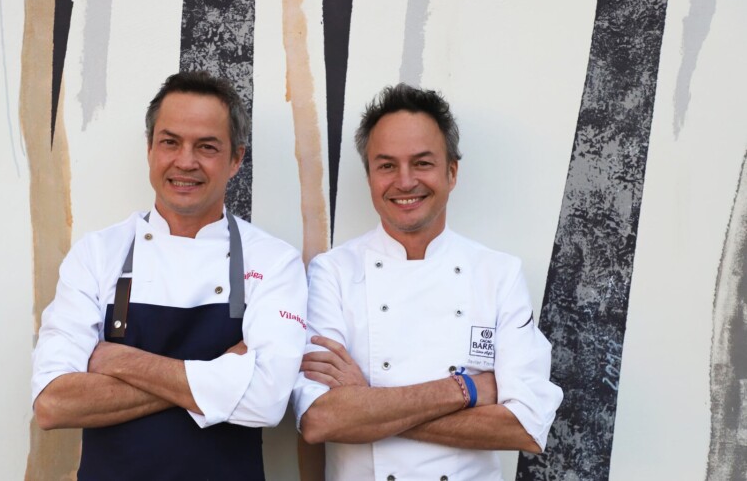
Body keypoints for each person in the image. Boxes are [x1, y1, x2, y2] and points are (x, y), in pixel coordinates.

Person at [31, 71, 308, 480]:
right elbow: (54, 404)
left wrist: (122, 360)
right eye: (170, 142)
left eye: (207, 147)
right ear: (150, 149)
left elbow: (266, 401)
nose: (185, 161)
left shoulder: (274, 262)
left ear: (236, 159)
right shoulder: (97, 254)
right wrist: (220, 371)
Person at [292, 84, 563, 480]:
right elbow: (320, 420)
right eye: (386, 165)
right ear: (369, 176)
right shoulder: (331, 272)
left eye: (422, 163)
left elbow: (526, 426)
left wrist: (367, 405)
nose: (405, 182)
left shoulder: (498, 274)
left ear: (451, 172)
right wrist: (465, 391)